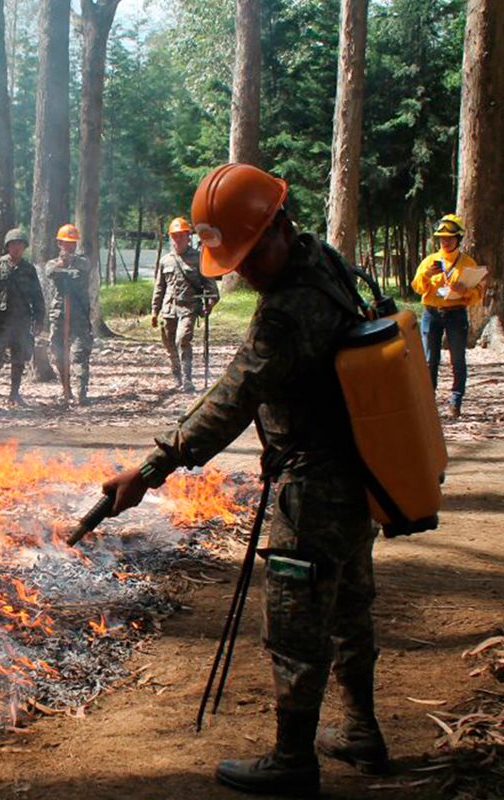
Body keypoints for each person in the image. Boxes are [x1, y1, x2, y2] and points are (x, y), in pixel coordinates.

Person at [103, 163, 387, 797]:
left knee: (294, 619)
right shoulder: (326, 260)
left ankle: (293, 760)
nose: (244, 270)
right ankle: (362, 731)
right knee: (347, 604)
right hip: (355, 469)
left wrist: (150, 470)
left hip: (311, 483)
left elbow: (232, 399)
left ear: (278, 226)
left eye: (251, 255)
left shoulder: (288, 311)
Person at [410, 214, 484, 419]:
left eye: (450, 237)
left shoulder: (468, 263)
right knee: (429, 360)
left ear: (458, 238)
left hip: (456, 315)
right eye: (442, 237)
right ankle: (428, 402)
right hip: (431, 314)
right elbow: (416, 286)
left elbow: (478, 291)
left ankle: (455, 402)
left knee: (457, 360)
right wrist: (426, 275)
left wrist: (464, 291)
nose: (445, 240)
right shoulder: (430, 261)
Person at [151, 216, 218, 392]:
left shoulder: (199, 259)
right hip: (169, 310)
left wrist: (210, 303)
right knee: (169, 344)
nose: (178, 239)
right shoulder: (166, 260)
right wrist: (154, 311)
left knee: (182, 340)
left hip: (189, 308)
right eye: (174, 236)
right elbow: (159, 288)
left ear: (188, 237)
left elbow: (211, 287)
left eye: (181, 235)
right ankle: (177, 378)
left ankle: (187, 380)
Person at [0, 228, 45, 407]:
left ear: (24, 247)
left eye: (20, 244)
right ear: (7, 246)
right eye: (13, 244)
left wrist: (39, 318)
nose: (16, 248)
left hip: (22, 322)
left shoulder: (29, 269)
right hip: (0, 321)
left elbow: (37, 296)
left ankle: (14, 395)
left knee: (19, 359)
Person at [44, 223, 95, 405]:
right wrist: (61, 264)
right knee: (58, 353)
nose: (70, 246)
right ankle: (66, 390)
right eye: (66, 243)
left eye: (72, 243)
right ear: (59, 243)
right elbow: (49, 271)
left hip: (79, 316)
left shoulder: (83, 262)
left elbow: (83, 268)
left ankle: (82, 393)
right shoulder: (52, 263)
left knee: (79, 354)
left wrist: (68, 265)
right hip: (59, 315)